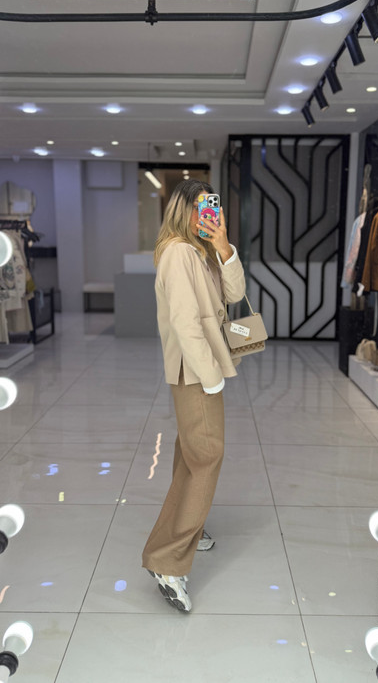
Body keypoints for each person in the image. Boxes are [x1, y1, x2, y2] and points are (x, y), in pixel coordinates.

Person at [142, 179, 245, 612]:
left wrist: (224, 248)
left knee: (191, 454)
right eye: (200, 207)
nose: (208, 215)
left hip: (198, 368)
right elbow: (186, 322)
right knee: (207, 455)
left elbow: (234, 295)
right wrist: (210, 375)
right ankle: (168, 560)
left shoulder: (198, 251)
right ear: (182, 210)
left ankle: (190, 530)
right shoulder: (179, 253)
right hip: (195, 370)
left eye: (212, 207)